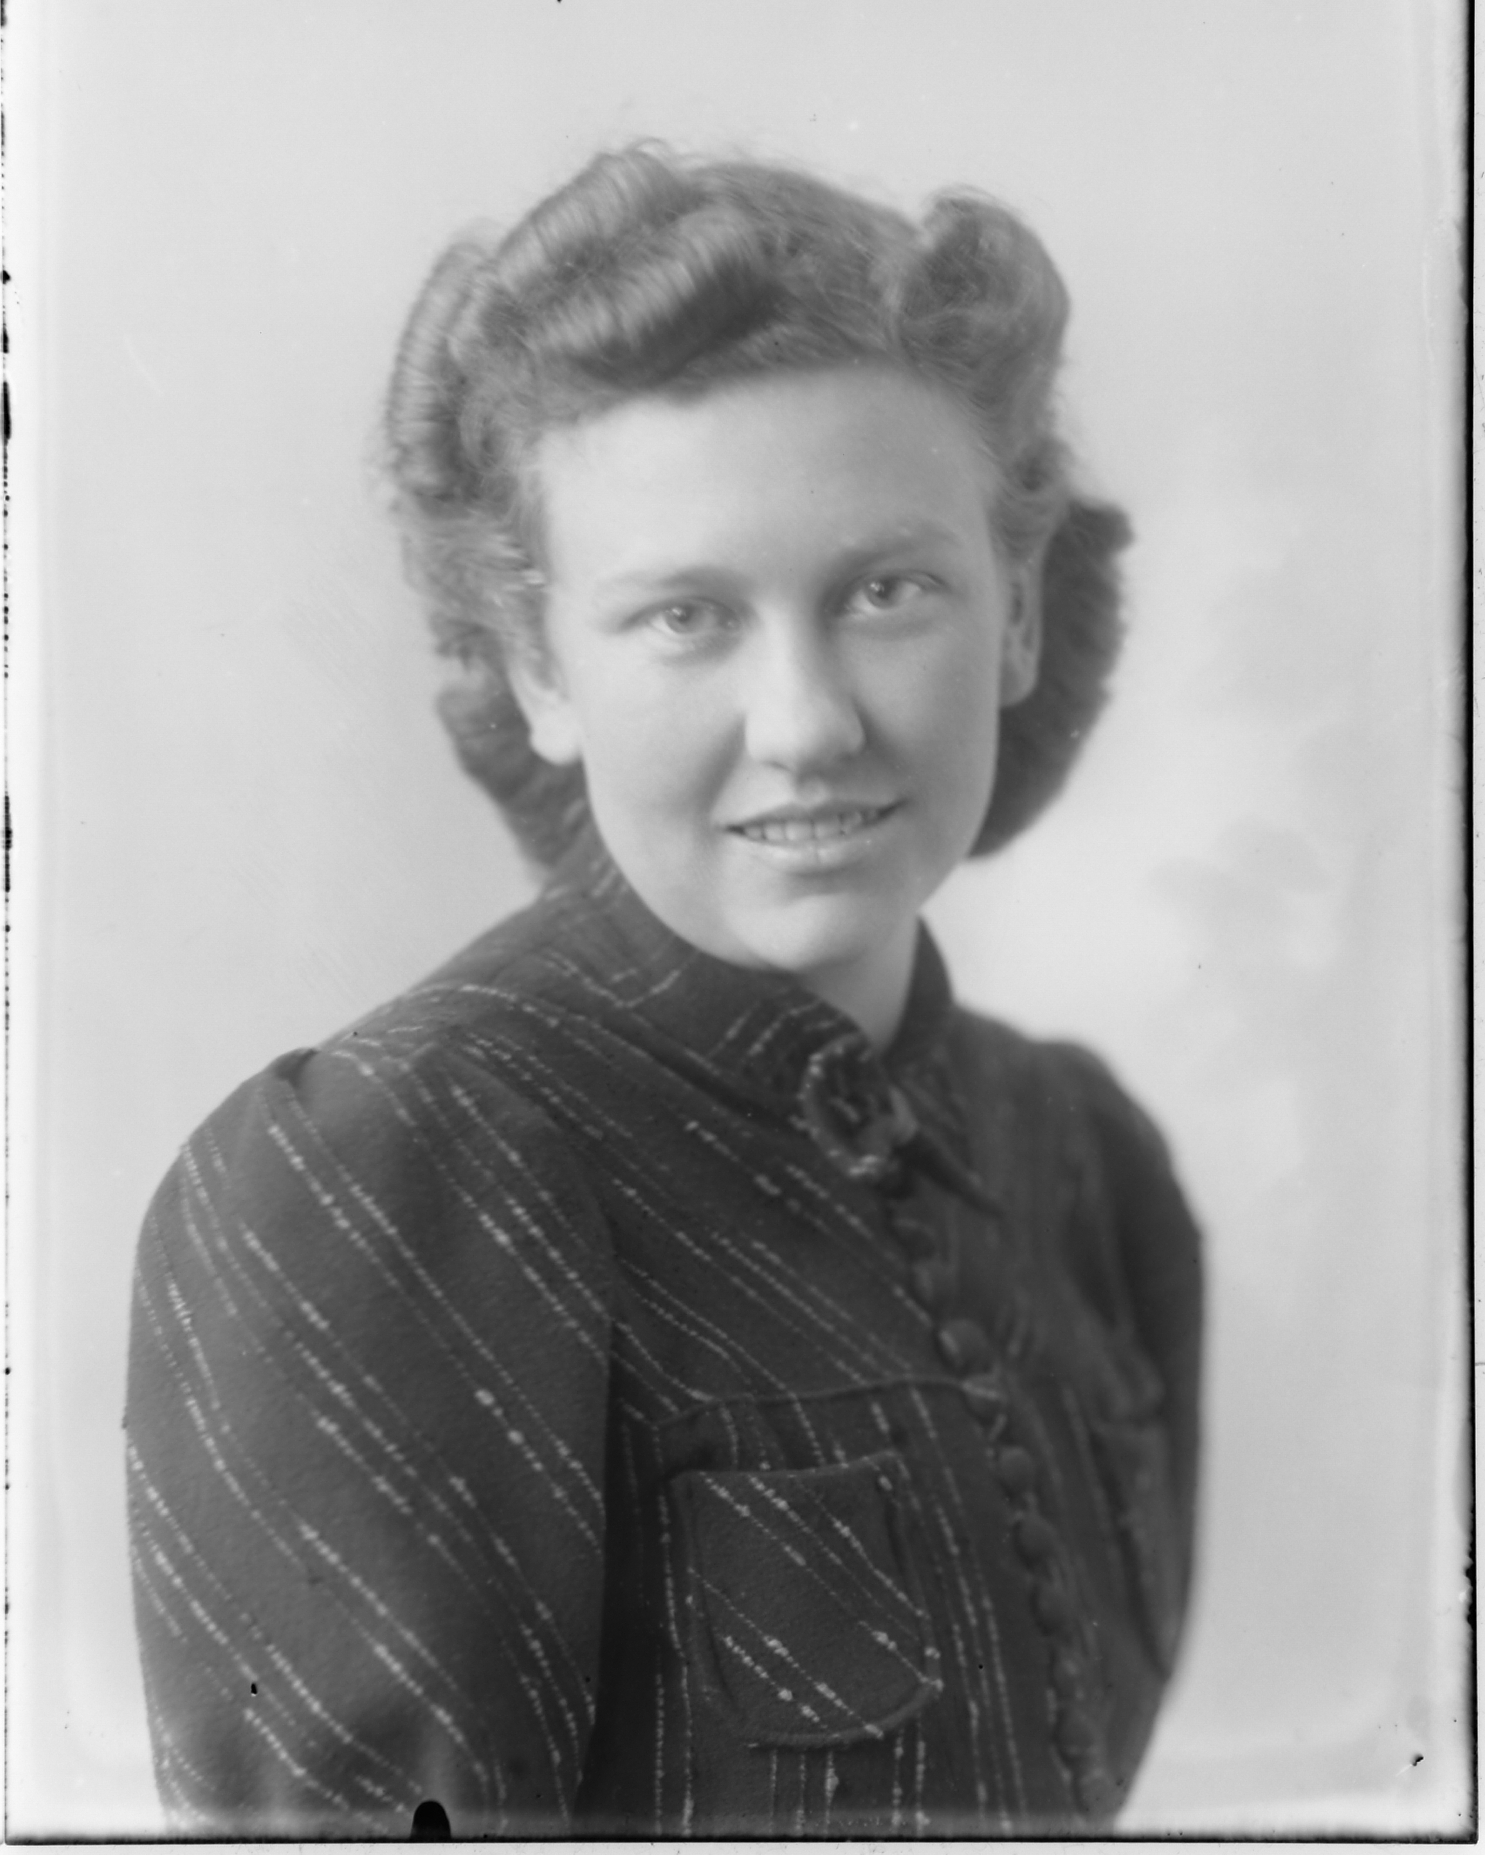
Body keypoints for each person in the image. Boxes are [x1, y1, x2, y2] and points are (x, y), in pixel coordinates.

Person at [125, 143, 1203, 1838]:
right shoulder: (391, 1176)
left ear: (1014, 614)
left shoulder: (1085, 1166)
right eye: (687, 615)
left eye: (887, 590)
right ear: (538, 670)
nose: (807, 723)